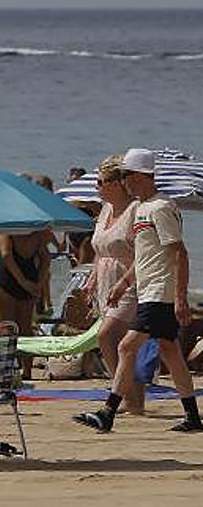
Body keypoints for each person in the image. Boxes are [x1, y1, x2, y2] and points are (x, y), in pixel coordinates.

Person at [75, 148, 200, 433]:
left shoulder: (160, 207)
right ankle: (193, 417)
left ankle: (108, 412)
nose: (124, 182)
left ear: (141, 175)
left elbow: (179, 253)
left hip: (159, 291)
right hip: (148, 290)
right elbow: (145, 258)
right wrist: (123, 284)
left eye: (127, 176)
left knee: (125, 346)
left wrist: (180, 298)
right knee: (170, 351)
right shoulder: (143, 209)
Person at [82, 156, 138, 403]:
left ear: (117, 183)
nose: (97, 186)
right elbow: (100, 249)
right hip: (105, 281)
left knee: (106, 336)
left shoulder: (135, 209)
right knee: (121, 344)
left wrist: (124, 282)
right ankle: (131, 395)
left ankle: (123, 394)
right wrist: (92, 278)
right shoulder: (105, 210)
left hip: (129, 281)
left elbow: (142, 251)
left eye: (101, 181)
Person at [0, 231, 49, 379]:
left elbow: (6, 255)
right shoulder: (38, 230)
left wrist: (22, 281)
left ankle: (8, 371)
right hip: (29, 274)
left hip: (7, 277)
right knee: (25, 327)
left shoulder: (9, 226)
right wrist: (39, 284)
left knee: (6, 327)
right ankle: (27, 370)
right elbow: (46, 259)